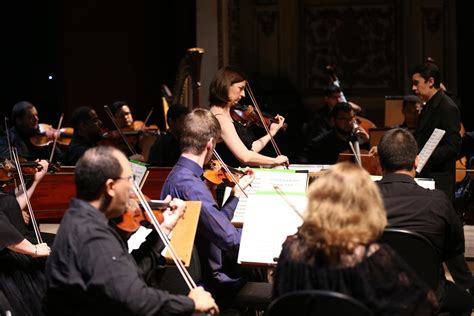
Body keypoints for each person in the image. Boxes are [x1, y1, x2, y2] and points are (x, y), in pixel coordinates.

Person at [45, 146, 218, 315]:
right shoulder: (93, 236)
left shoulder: (80, 217)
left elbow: (129, 273)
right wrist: (191, 303)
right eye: (129, 179)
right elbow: (137, 301)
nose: (133, 189)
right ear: (111, 187)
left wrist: (164, 229)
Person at [272, 162, 438, 315]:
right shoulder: (373, 258)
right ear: (368, 206)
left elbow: (279, 303)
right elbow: (426, 304)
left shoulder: (290, 252)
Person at [160, 109, 260, 307]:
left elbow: (211, 223)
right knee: (262, 276)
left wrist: (235, 197)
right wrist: (267, 239)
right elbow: (229, 238)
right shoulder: (192, 187)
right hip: (208, 284)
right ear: (210, 145)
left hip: (194, 276)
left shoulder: (177, 176)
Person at [376, 128, 474, 315]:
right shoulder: (438, 201)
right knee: (466, 301)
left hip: (375, 294)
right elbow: (452, 249)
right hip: (428, 297)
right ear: (417, 161)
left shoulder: (360, 199)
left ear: (380, 163)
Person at [0, 160, 52, 316]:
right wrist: (34, 250)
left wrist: (35, 180)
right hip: (10, 256)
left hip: (18, 243)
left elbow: (10, 205)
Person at [209, 66, 288, 168]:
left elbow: (249, 149)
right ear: (226, 86)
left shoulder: (228, 113)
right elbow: (245, 157)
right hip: (230, 180)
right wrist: (275, 161)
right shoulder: (220, 118)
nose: (243, 94)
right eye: (240, 88)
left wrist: (272, 132)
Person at [411, 62, 461, 200]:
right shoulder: (427, 106)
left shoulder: (447, 107)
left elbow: (453, 147)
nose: (413, 88)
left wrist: (423, 157)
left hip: (439, 182)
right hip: (426, 177)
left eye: (416, 83)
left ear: (431, 81)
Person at [296, 101, 369, 164]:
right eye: (343, 119)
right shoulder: (322, 141)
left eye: (351, 118)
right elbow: (303, 159)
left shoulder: (359, 138)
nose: (349, 123)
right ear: (333, 121)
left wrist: (368, 142)